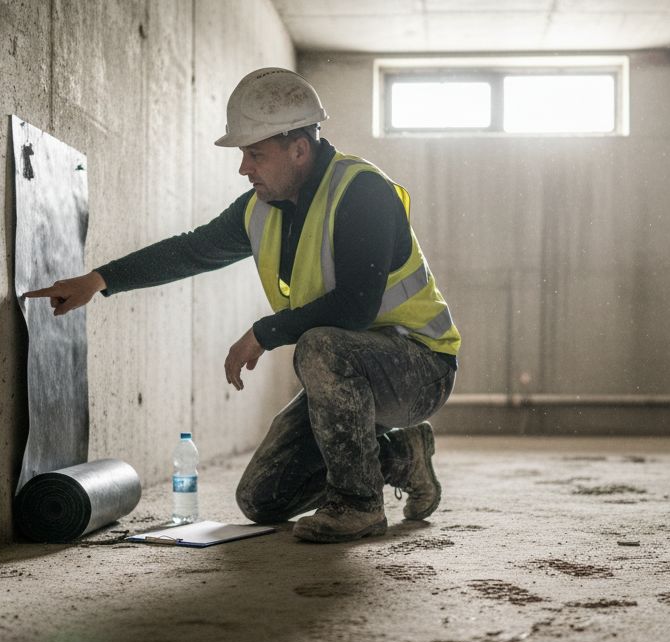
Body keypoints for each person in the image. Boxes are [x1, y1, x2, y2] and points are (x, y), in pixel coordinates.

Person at [24, 67, 460, 543]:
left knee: (317, 347)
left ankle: (357, 504)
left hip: (420, 367)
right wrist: (99, 279)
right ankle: (402, 457)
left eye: (255, 154)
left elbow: (356, 307)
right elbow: (193, 249)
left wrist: (264, 332)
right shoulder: (261, 209)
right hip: (347, 369)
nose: (244, 168)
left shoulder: (362, 192)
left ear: (299, 148)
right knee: (262, 499)